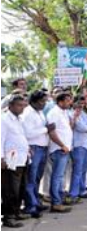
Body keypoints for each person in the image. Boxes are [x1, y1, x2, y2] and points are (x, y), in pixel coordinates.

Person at [21, 90, 53, 218]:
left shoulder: (39, 112)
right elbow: (28, 133)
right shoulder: (28, 113)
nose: (44, 104)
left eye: (45, 101)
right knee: (31, 178)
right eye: (41, 101)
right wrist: (46, 129)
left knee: (37, 178)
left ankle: (36, 201)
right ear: (33, 102)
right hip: (34, 148)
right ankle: (30, 206)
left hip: (42, 147)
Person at [1, 95, 30, 228]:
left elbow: (20, 137)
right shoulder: (4, 119)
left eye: (23, 105)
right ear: (11, 106)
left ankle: (17, 211)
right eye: (19, 105)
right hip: (10, 161)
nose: (22, 108)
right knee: (10, 190)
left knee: (20, 188)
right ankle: (8, 217)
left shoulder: (19, 119)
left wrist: (28, 150)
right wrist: (1, 158)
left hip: (22, 159)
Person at [47, 92, 73, 213]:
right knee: (57, 177)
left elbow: (67, 128)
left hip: (65, 148)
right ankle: (56, 203)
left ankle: (60, 199)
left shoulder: (64, 112)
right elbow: (52, 133)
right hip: (59, 149)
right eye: (67, 101)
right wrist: (62, 145)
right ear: (60, 101)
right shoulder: (54, 113)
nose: (70, 103)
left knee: (60, 176)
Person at [67, 95, 87, 203]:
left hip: (86, 144)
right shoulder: (71, 113)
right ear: (73, 103)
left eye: (82, 103)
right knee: (77, 171)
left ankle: (82, 191)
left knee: (83, 170)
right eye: (79, 103)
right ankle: (73, 194)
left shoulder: (83, 113)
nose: (81, 105)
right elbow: (82, 128)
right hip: (77, 145)